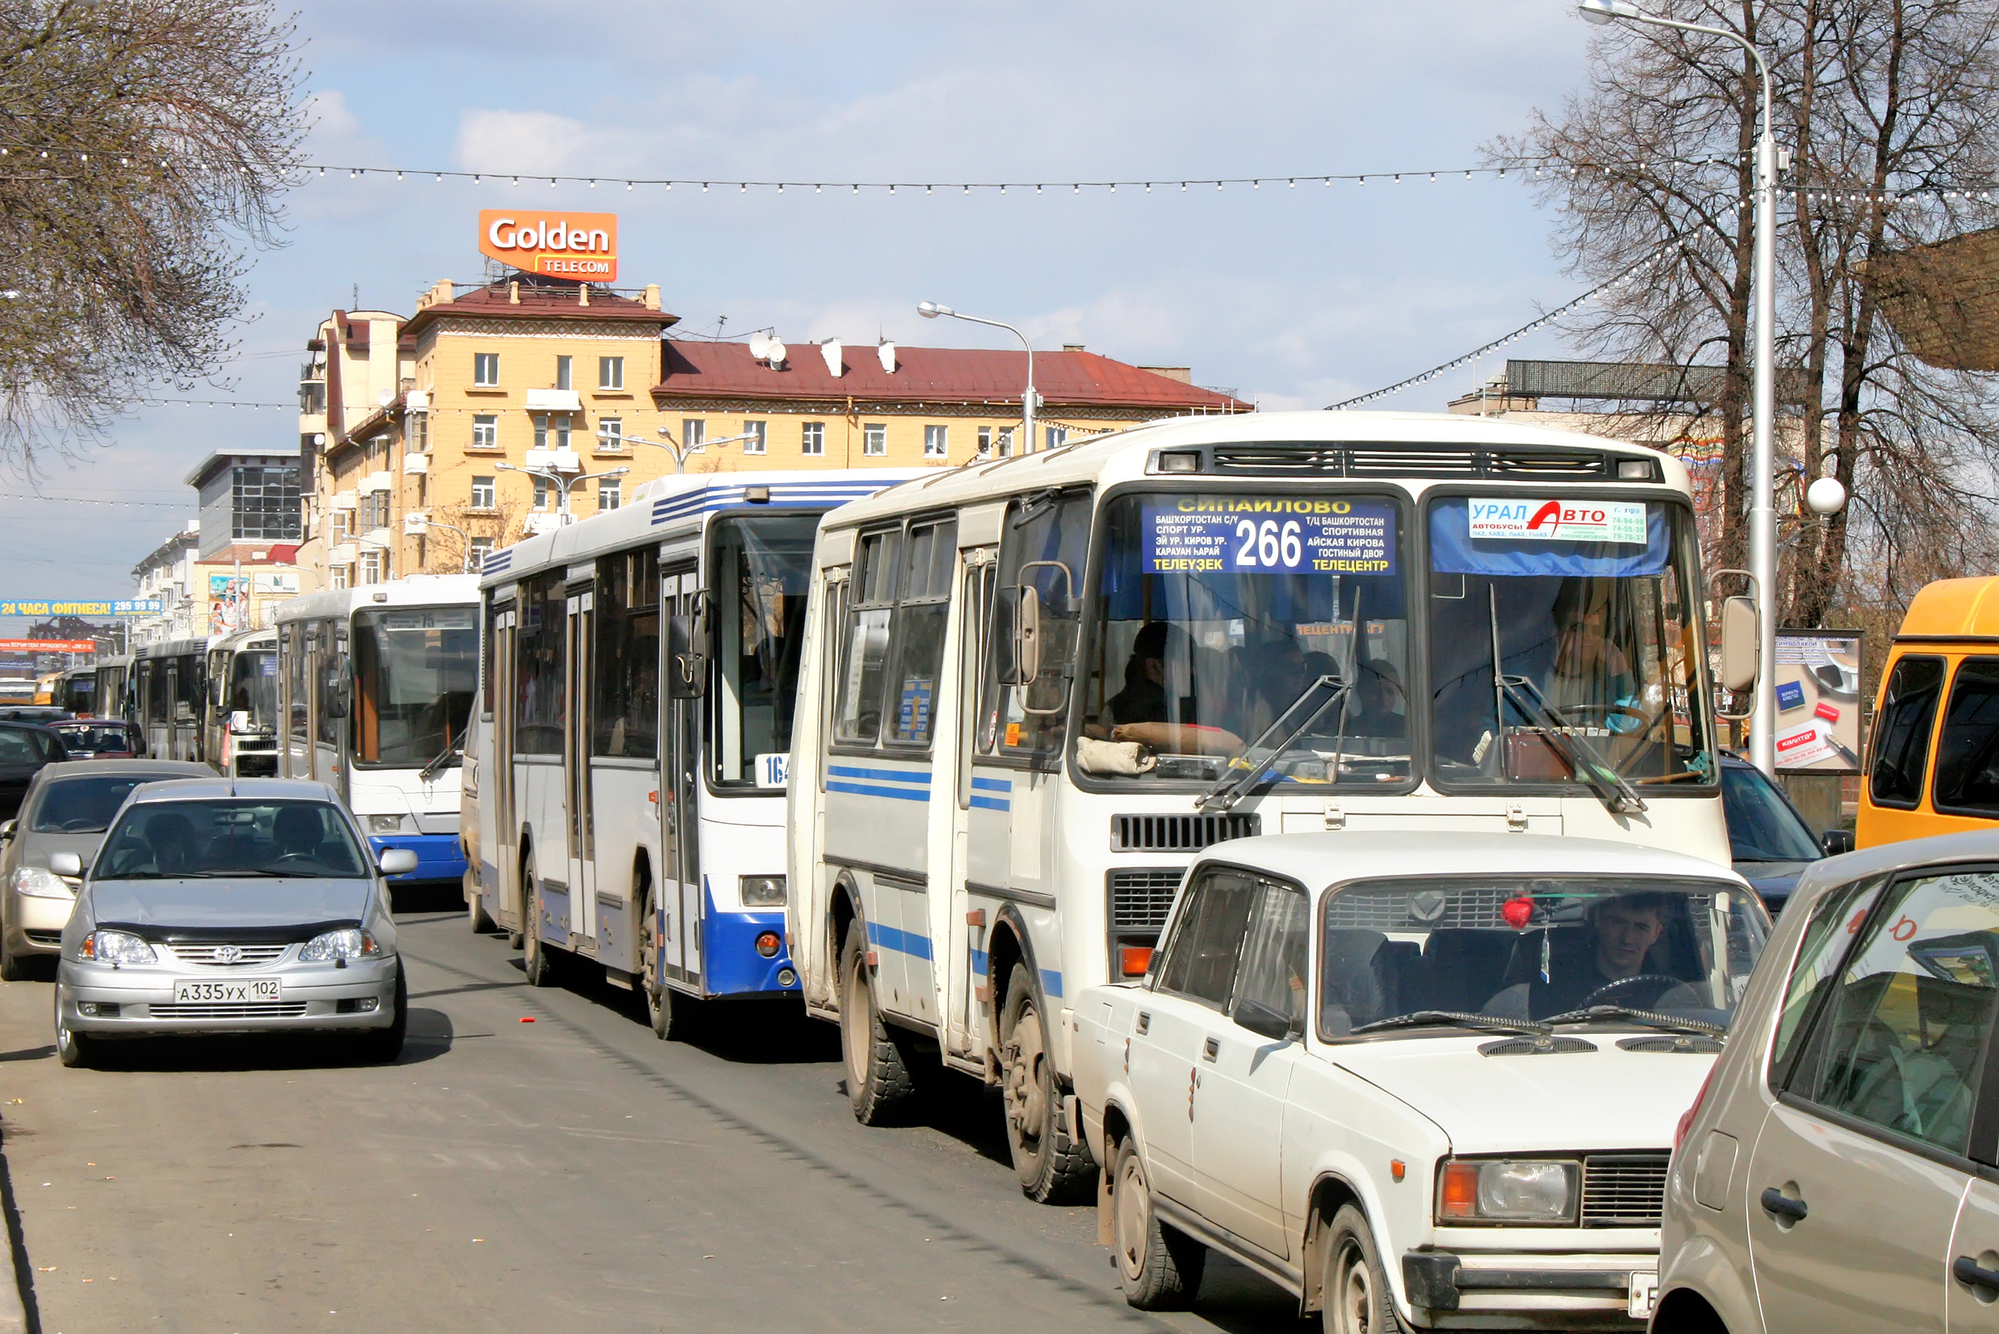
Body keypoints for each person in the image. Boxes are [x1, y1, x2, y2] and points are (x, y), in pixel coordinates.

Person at [1482, 893, 1678, 1020]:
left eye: (1641, 927)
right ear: (1598, 921)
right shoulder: (1552, 985)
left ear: (1656, 934)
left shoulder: (1671, 994)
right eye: (1618, 923)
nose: (1627, 938)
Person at [1343, 658, 1407, 738]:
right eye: (1375, 691)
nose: (1383, 698)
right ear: (1360, 691)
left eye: (1390, 692)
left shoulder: (1408, 729)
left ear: (1397, 693)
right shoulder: (1346, 731)